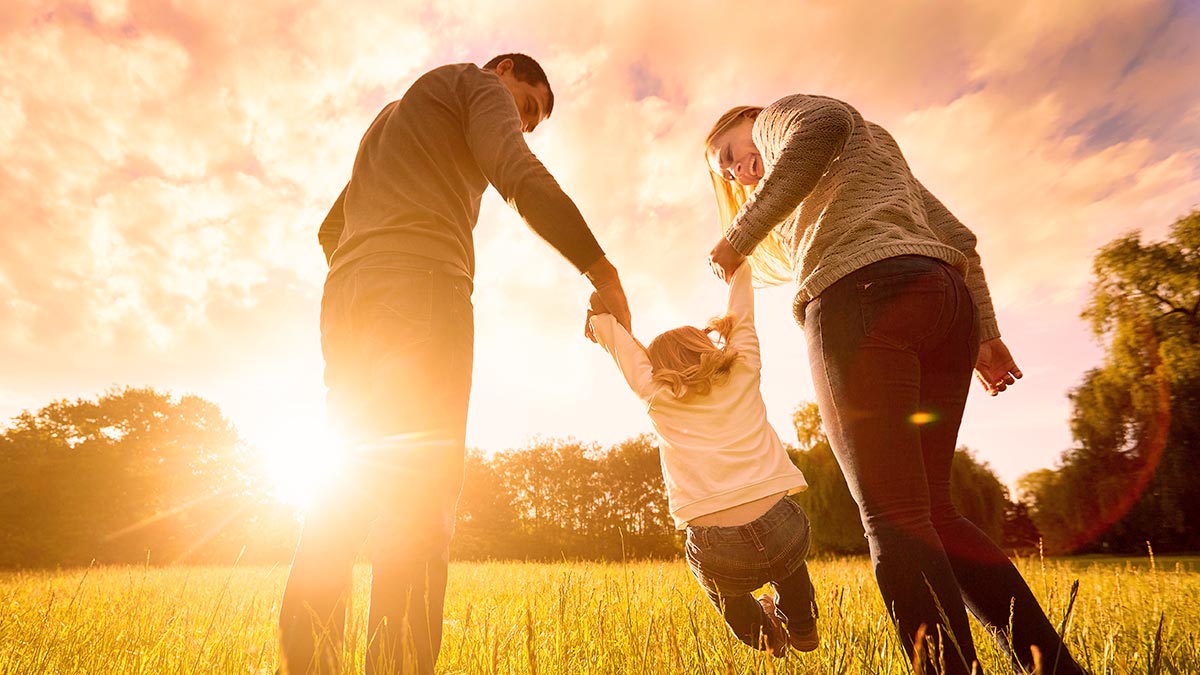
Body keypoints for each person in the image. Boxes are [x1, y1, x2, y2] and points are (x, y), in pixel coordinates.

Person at [703, 96, 1084, 674]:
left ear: (750, 119)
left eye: (731, 152)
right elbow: (959, 237)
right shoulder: (874, 150)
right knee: (934, 513)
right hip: (944, 303)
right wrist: (985, 333)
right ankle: (1055, 669)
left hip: (861, 298)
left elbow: (823, 124)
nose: (736, 171)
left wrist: (740, 234)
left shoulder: (783, 116)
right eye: (727, 173)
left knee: (893, 516)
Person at [279, 53, 632, 675]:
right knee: (420, 493)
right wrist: (602, 272)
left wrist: (373, 270)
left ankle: (306, 666)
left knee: (346, 487)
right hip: (423, 289)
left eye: (531, 122)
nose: (522, 124)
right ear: (505, 69)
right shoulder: (476, 83)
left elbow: (331, 228)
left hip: (349, 300)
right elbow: (515, 171)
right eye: (526, 107)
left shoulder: (394, 118)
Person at [587, 261, 818, 658]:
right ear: (706, 346)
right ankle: (801, 624)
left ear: (657, 368)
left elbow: (622, 350)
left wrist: (600, 318)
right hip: (782, 526)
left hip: (717, 546)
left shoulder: (656, 394)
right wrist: (738, 268)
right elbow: (742, 314)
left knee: (726, 595)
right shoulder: (743, 367)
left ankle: (765, 635)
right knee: (788, 562)